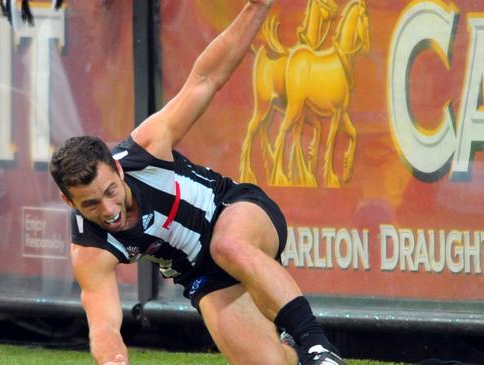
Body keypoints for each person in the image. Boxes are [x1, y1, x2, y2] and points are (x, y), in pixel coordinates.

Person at [49, 1, 345, 364]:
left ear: (119, 170)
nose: (109, 212)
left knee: (227, 245)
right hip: (202, 276)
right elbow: (104, 326)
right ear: (69, 202)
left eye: (110, 192)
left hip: (235, 211)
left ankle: (318, 346)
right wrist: (114, 361)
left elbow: (207, 77)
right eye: (90, 205)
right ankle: (299, 354)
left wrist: (257, 7)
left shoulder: (147, 148)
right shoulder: (89, 248)